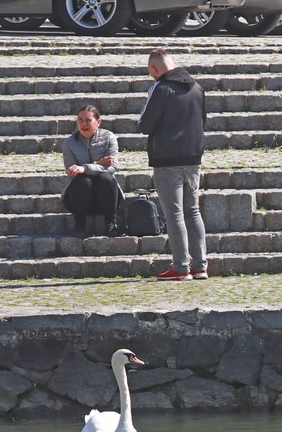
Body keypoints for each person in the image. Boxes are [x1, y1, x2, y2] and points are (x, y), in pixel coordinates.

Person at [138, 48, 208, 281]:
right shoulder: (197, 87)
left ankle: (181, 267)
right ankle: (200, 267)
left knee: (174, 214)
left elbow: (145, 124)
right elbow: (203, 120)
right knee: (193, 210)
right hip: (193, 157)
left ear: (154, 69)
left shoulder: (161, 88)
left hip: (167, 158)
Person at [62, 105, 124, 237]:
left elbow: (112, 167)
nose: (83, 124)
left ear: (98, 122)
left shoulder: (109, 137)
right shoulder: (69, 143)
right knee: (82, 180)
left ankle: (111, 223)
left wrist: (85, 168)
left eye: (88, 120)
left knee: (105, 178)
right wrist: (99, 164)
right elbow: (72, 171)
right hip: (79, 198)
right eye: (80, 120)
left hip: (106, 198)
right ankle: (80, 224)